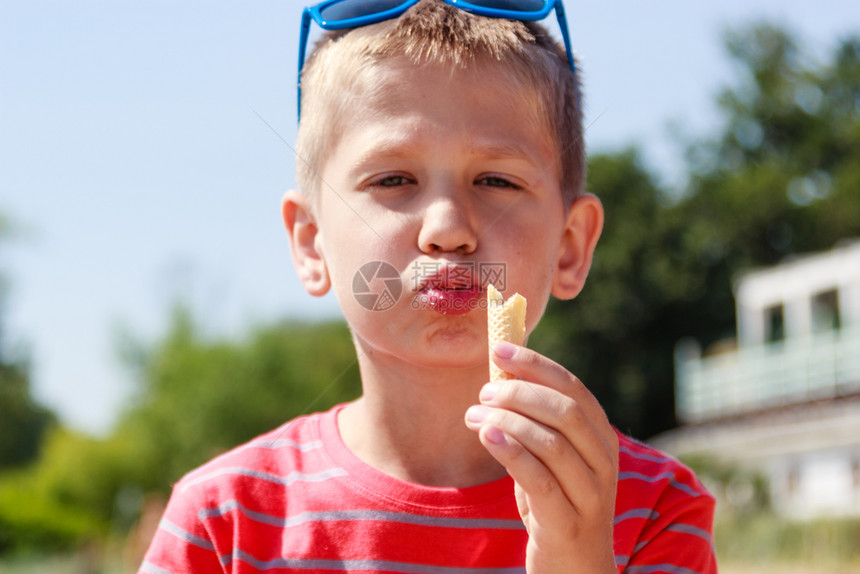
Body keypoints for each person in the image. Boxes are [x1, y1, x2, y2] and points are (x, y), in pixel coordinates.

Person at [140, 1, 717, 572]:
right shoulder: (222, 523)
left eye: (496, 179)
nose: (448, 230)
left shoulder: (654, 512)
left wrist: (577, 558)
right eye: (394, 179)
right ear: (311, 242)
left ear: (569, 246)